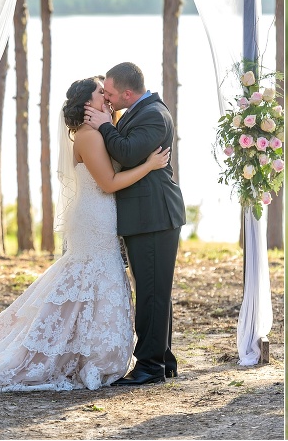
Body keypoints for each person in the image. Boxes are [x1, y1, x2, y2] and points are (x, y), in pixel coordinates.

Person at [0, 76, 170, 394]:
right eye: (99, 93)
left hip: (101, 215)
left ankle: (80, 347)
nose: (105, 97)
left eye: (107, 92)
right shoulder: (89, 136)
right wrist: (150, 165)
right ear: (87, 104)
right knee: (86, 279)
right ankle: (61, 350)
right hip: (94, 216)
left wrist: (112, 125)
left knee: (91, 282)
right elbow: (109, 183)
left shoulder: (99, 129)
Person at [84, 62, 185, 386]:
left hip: (154, 215)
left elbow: (127, 153)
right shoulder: (139, 111)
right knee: (155, 289)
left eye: (111, 93)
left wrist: (103, 125)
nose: (108, 100)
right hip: (147, 215)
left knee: (153, 293)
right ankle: (163, 358)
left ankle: (150, 366)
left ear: (128, 92)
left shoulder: (154, 114)